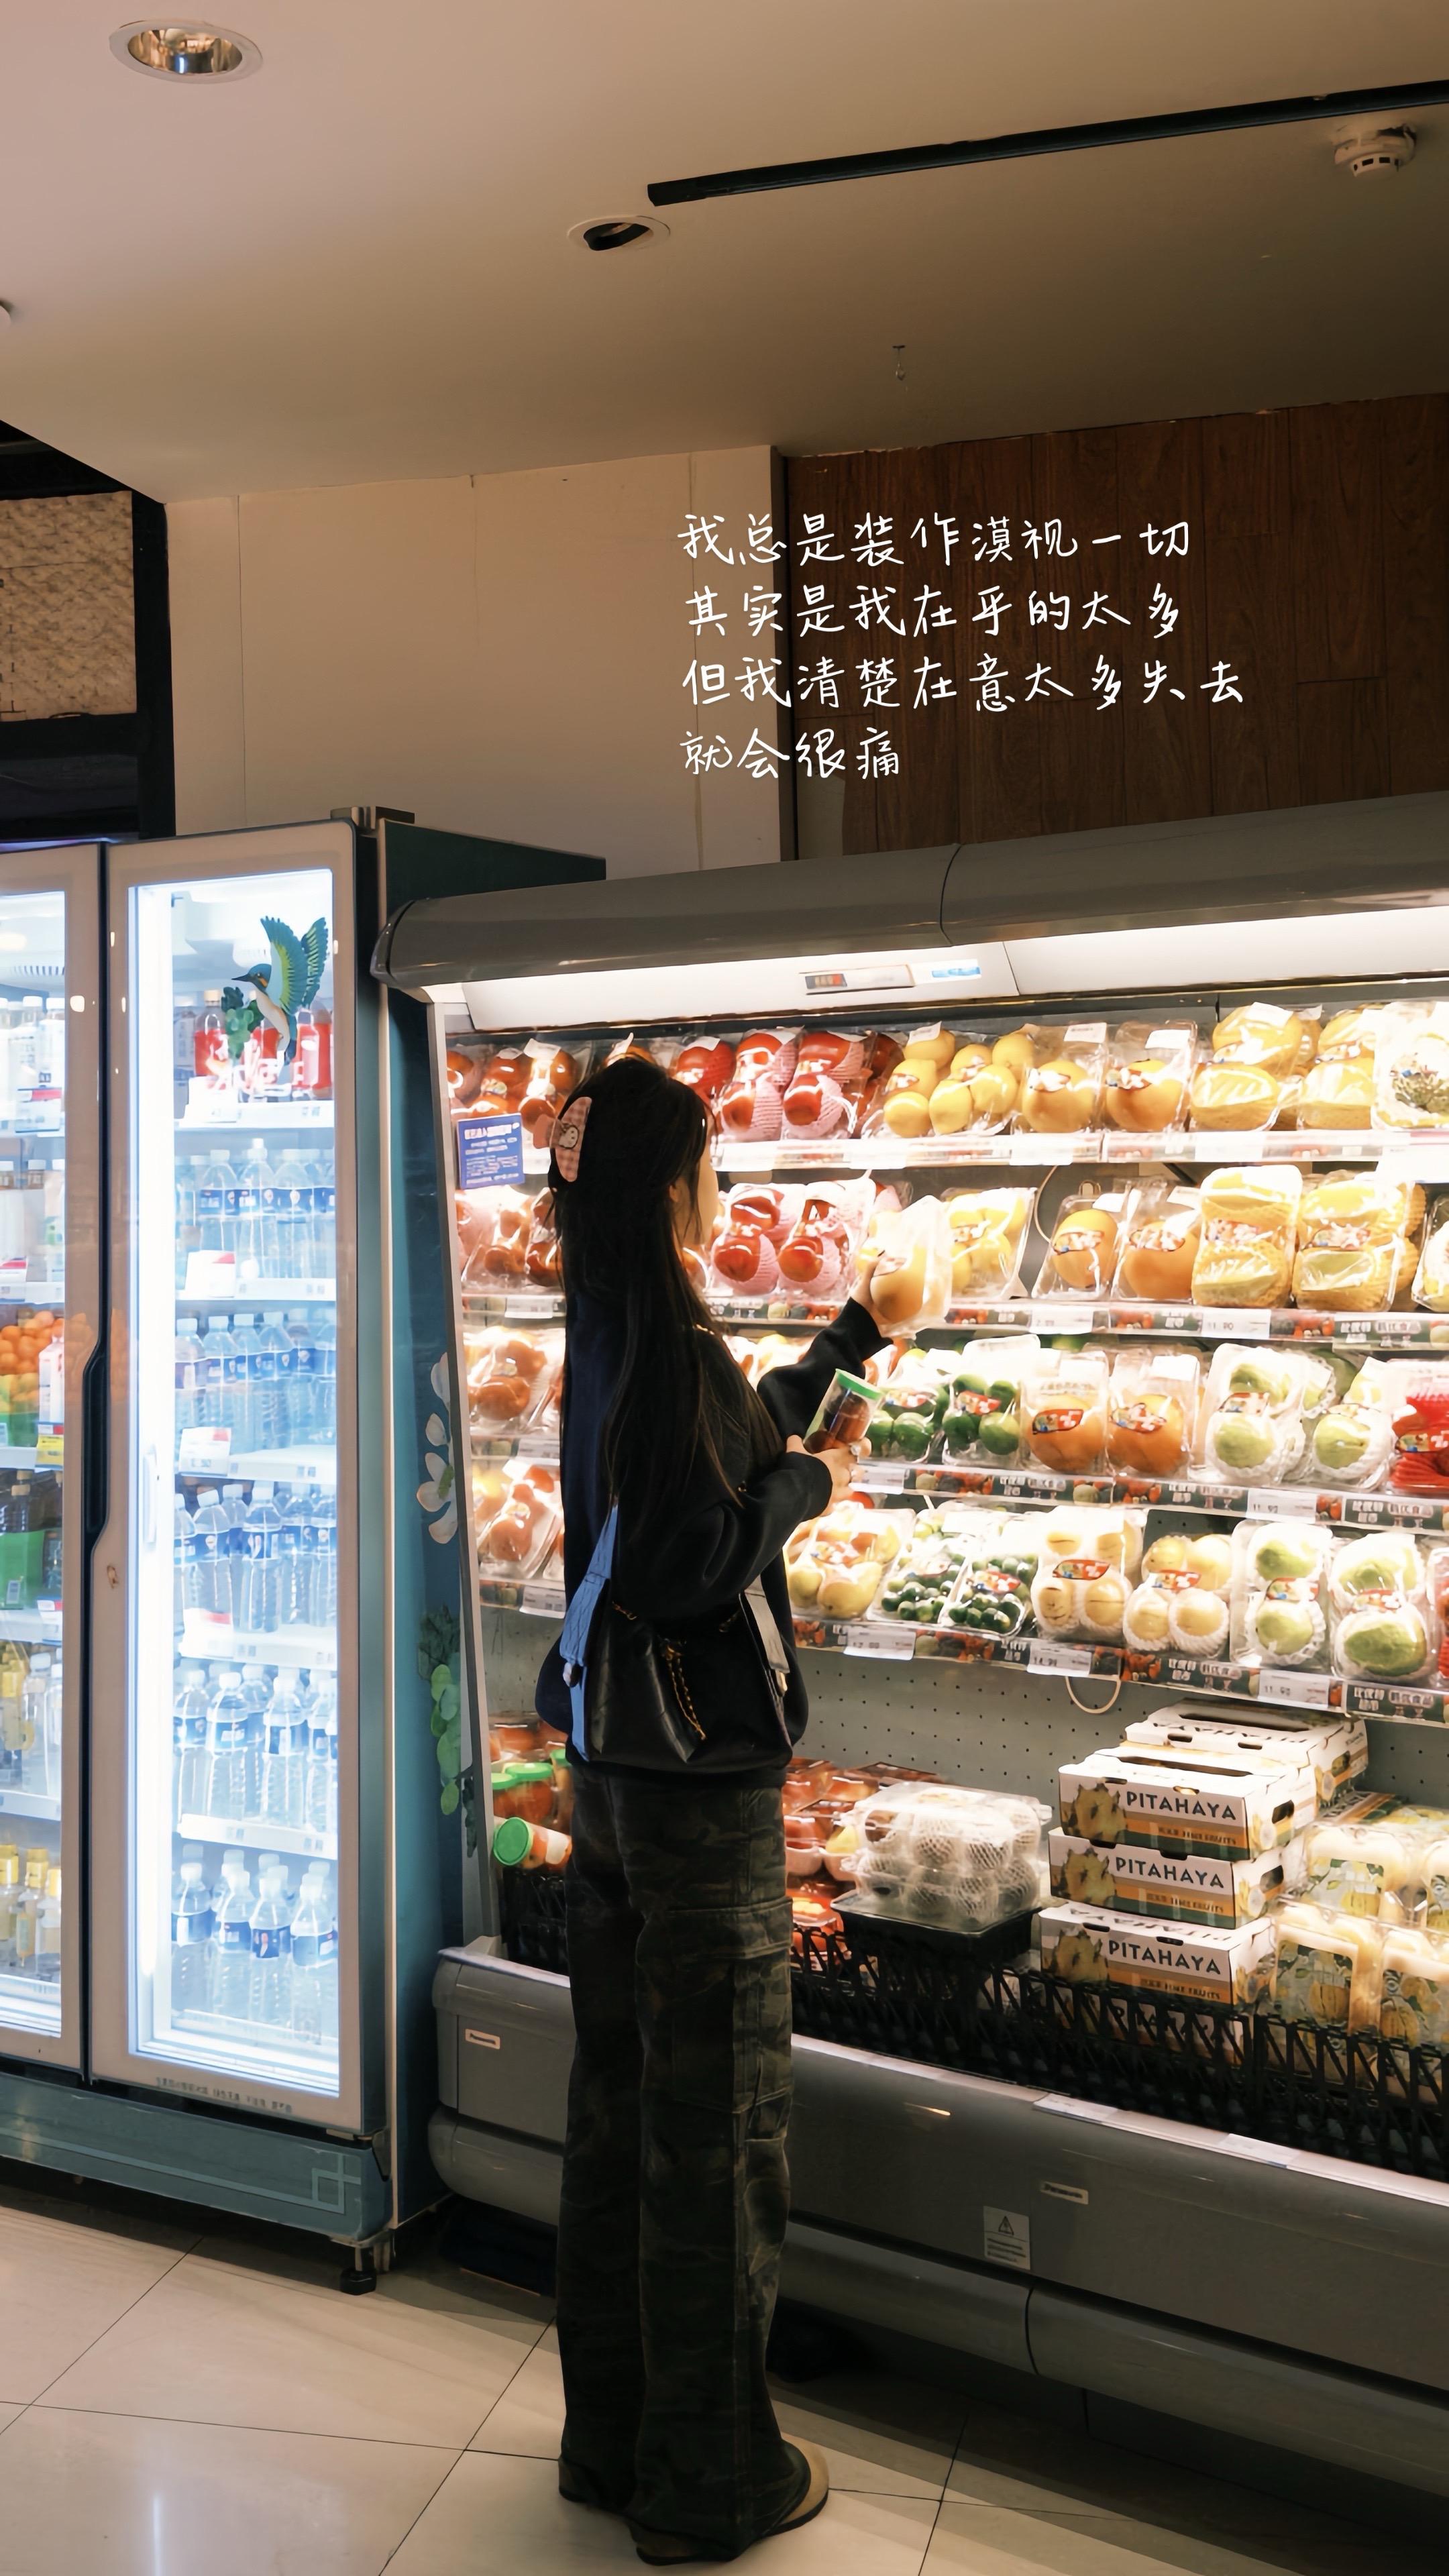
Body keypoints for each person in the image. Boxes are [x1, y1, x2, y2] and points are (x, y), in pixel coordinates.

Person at [535, 1052, 890, 2565]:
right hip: (699, 1796)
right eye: (708, 1160)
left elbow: (718, 1449)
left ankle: (611, 2440)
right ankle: (713, 2480)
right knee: (716, 2129)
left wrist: (852, 1344)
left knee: (618, 2108)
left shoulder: (611, 1317)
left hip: (614, 1772)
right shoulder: (669, 1341)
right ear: (672, 1183)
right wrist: (813, 1488)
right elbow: (700, 1554)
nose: (722, 1181)